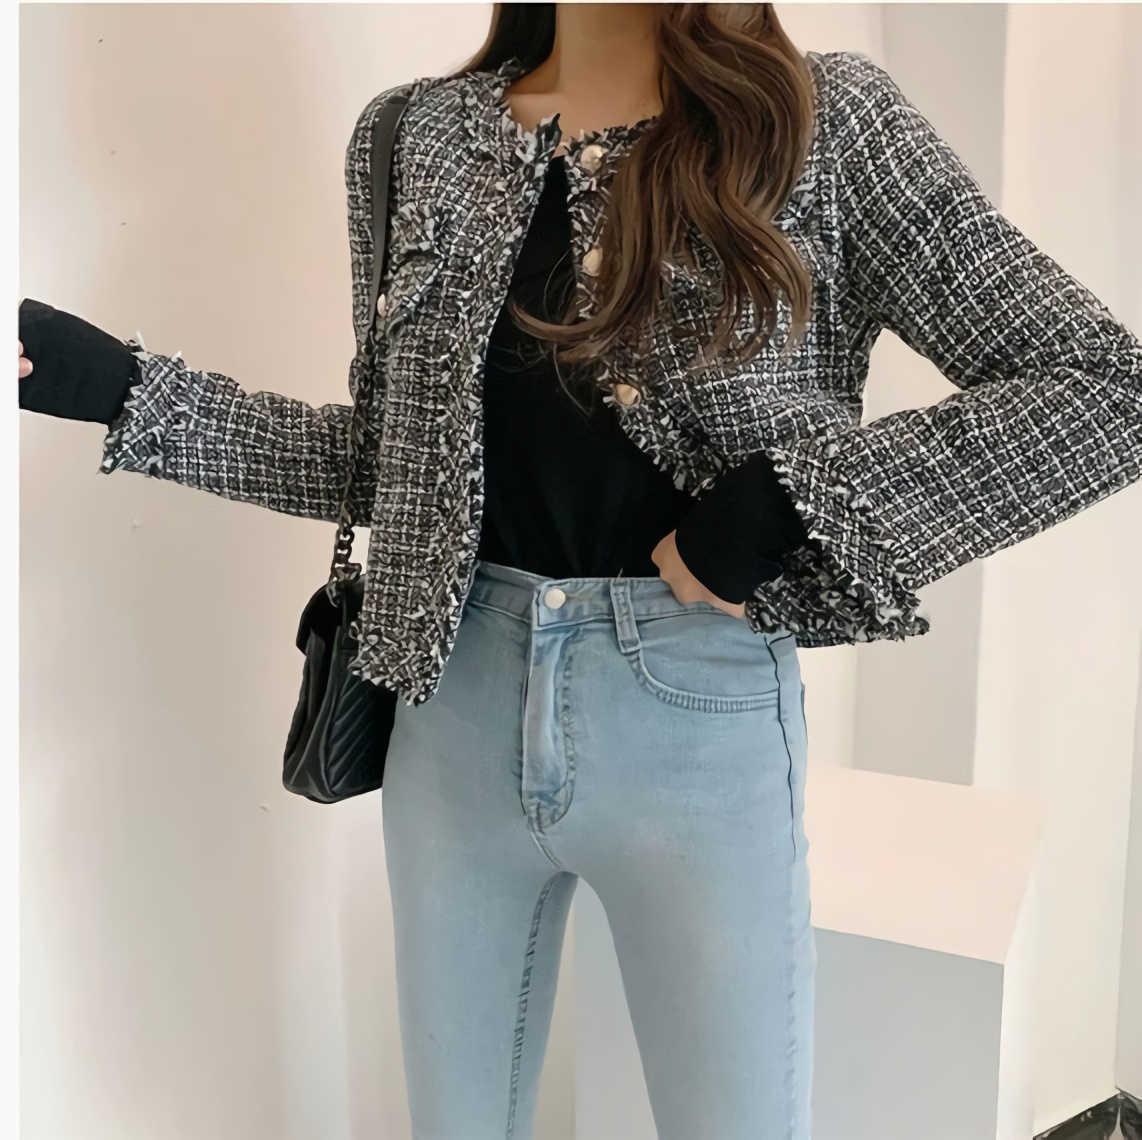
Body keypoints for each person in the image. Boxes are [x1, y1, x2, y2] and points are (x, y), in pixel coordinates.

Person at [16, 4, 1142, 1138]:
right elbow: (395, 466)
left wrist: (785, 502)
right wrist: (132, 393)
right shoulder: (411, 136)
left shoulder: (821, 120)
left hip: (694, 718)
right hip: (449, 709)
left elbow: (1103, 386)